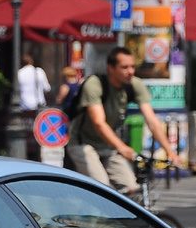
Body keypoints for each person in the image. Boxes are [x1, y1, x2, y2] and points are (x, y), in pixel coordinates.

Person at [69, 46, 184, 194]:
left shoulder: (134, 85)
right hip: (83, 143)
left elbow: (152, 121)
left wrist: (170, 152)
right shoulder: (95, 84)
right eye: (124, 67)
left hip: (109, 146)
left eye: (132, 66)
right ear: (111, 68)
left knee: (133, 188)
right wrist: (122, 147)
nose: (130, 71)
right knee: (102, 188)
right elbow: (99, 123)